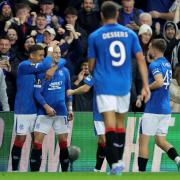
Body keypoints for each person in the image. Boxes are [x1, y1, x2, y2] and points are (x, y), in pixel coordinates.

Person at [88, 1, 150, 175]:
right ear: (117, 15)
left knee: (109, 125)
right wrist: (145, 85)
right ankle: (119, 160)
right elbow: (140, 59)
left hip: (105, 85)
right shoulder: (130, 33)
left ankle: (115, 163)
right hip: (124, 85)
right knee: (120, 124)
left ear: (101, 15)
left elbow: (91, 66)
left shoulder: (95, 36)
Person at [11, 43, 65, 171]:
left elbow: (63, 60)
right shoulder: (24, 66)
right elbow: (47, 64)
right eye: (40, 55)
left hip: (35, 110)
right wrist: (50, 48)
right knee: (20, 139)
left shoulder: (37, 70)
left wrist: (54, 66)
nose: (42, 57)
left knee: (36, 142)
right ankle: (14, 171)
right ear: (32, 56)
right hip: (23, 110)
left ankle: (35, 172)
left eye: (43, 55)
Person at [137, 39, 180, 172]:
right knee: (160, 141)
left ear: (154, 49)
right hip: (165, 109)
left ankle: (142, 173)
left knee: (143, 141)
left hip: (153, 109)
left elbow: (159, 82)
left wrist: (146, 88)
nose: (149, 50)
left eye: (150, 47)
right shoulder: (167, 64)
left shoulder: (154, 65)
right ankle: (178, 160)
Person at [30, 45, 73, 172]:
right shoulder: (42, 71)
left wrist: (70, 108)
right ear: (50, 55)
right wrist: (46, 107)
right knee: (37, 142)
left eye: (59, 52)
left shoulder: (65, 71)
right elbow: (37, 93)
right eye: (55, 52)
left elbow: (68, 91)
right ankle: (34, 174)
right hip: (44, 112)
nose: (58, 55)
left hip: (61, 112)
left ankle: (65, 174)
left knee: (64, 143)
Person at [67, 74, 106, 172]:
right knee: (102, 142)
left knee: (105, 142)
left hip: (102, 112)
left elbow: (85, 88)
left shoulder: (97, 72)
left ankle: (114, 168)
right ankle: (97, 169)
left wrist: (73, 91)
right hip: (109, 112)